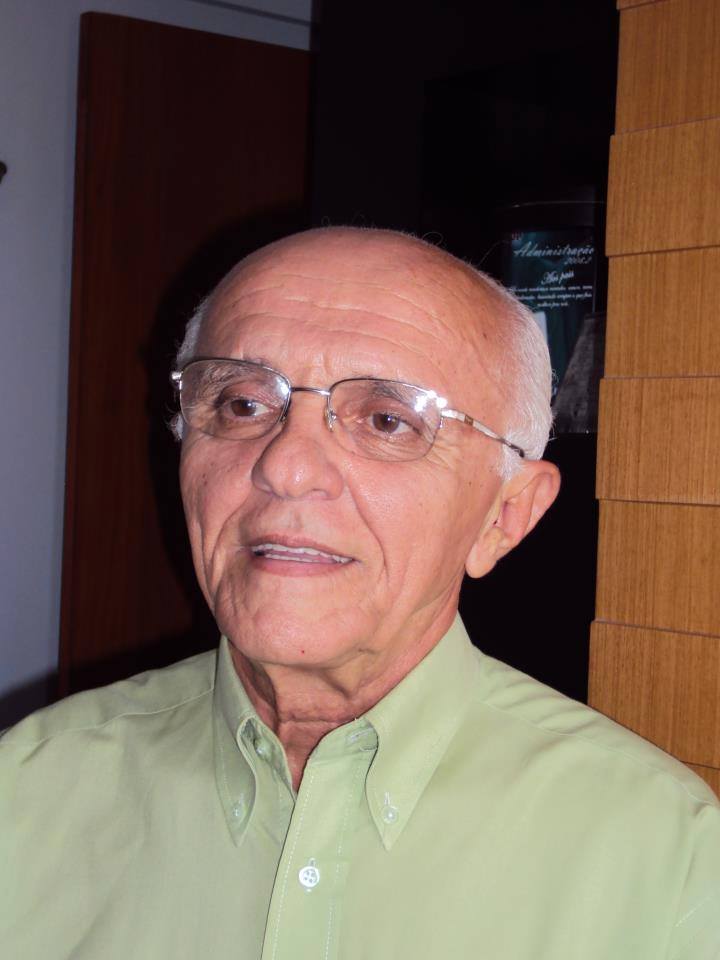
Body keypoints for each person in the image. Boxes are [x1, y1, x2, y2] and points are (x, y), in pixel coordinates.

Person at [2, 227, 719, 959]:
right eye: (244, 404)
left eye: (387, 421)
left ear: (505, 517)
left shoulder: (670, 863)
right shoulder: (24, 795)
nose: (287, 467)